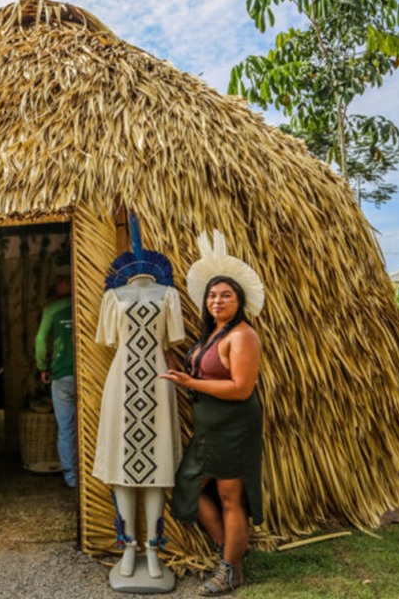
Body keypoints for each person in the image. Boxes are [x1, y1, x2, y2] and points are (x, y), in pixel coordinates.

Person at [159, 229, 265, 597]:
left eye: (226, 295)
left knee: (231, 497)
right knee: (190, 486)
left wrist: (189, 383)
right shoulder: (212, 335)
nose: (217, 301)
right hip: (210, 430)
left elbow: (241, 388)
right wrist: (177, 365)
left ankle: (230, 569)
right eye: (212, 295)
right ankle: (230, 550)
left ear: (240, 301)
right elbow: (202, 371)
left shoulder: (242, 336)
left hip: (234, 426)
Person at [92, 247, 185, 581]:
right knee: (122, 463)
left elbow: (172, 337)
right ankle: (128, 547)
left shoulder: (169, 295)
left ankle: (154, 548)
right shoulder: (113, 296)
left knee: (157, 462)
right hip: (122, 380)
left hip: (158, 382)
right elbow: (109, 339)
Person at [35, 268, 77, 488]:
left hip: (61, 374)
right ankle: (89, 474)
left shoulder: (52, 309)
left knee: (66, 427)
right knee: (89, 424)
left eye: (61, 281)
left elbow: (41, 340)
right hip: (86, 374)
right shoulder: (85, 304)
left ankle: (71, 478)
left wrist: (42, 366)